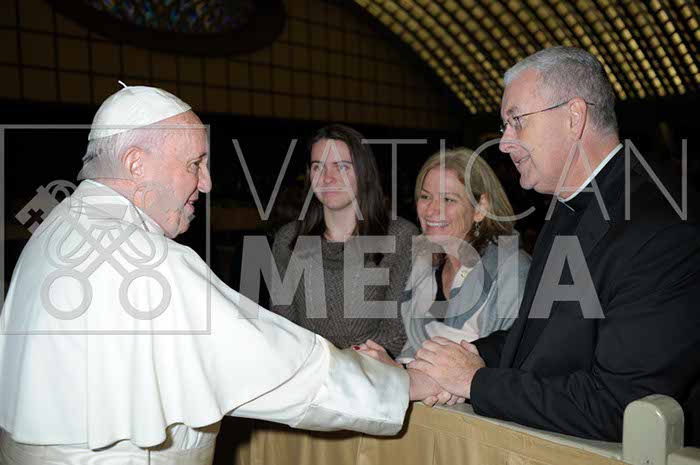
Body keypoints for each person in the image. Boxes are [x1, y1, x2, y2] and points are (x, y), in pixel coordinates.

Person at [0, 85, 446, 464]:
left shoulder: (56, 229)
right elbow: (280, 367)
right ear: (136, 164)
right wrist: (404, 383)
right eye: (194, 164)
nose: (207, 183)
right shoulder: (147, 260)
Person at [397, 46, 700, 443]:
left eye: (516, 121)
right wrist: (456, 362)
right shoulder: (568, 206)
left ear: (574, 117)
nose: (504, 143)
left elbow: (619, 406)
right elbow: (535, 340)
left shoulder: (662, 227)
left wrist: (474, 381)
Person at [270, 124, 417, 357]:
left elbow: (396, 333)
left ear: (364, 173)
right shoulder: (288, 241)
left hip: (373, 373)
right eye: (318, 167)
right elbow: (283, 328)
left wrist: (342, 367)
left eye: (342, 167)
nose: (328, 178)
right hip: (308, 373)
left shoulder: (401, 237)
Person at [397, 148, 530, 362]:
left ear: (480, 208)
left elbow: (514, 358)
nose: (431, 210)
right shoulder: (423, 264)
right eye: (425, 196)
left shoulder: (511, 270)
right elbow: (411, 347)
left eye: (448, 199)